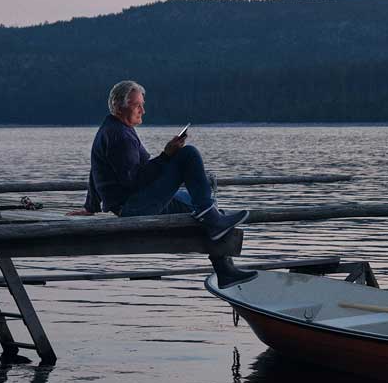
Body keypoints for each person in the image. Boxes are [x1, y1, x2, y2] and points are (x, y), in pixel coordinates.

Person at [73, 80, 256, 288]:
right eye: (137, 105)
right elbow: (133, 182)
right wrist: (166, 156)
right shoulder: (119, 136)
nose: (143, 110)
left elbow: (96, 169)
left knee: (204, 204)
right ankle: (214, 228)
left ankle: (224, 269)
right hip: (133, 207)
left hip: (136, 201)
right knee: (188, 154)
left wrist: (90, 207)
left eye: (142, 105)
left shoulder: (113, 129)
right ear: (118, 106)